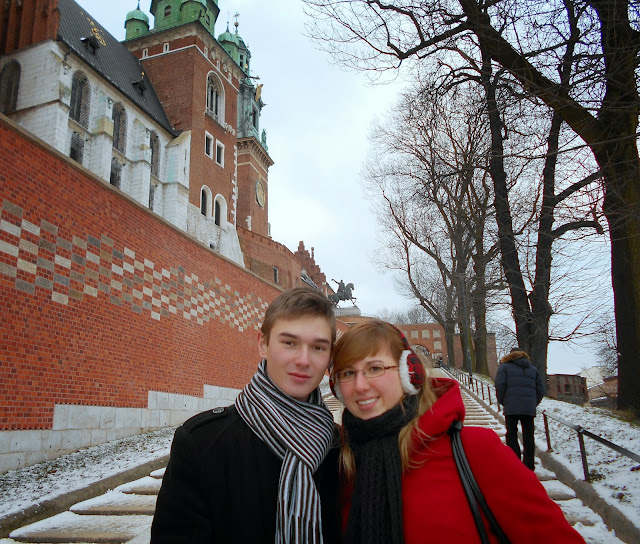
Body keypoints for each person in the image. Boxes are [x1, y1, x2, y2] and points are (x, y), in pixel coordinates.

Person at [330, 319, 584, 544]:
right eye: (348, 373)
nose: (360, 386)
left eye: (375, 368)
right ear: (336, 386)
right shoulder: (340, 464)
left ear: (409, 373)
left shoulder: (477, 452)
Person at [151, 287, 341, 544]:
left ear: (329, 357)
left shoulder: (341, 449)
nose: (303, 360)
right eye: (289, 343)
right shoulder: (203, 443)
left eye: (318, 347)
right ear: (263, 344)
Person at [495, 348, 545, 471]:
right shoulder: (533, 369)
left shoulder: (504, 367)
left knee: (511, 433)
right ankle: (529, 464)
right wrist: (533, 403)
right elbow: (540, 389)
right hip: (528, 408)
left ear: (510, 355)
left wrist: (503, 401)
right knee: (529, 436)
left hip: (511, 406)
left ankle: (515, 462)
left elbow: (500, 385)